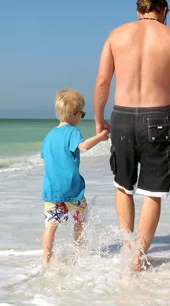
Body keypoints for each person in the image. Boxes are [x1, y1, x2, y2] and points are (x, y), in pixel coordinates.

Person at [93, 0, 170, 270]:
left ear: (138, 12)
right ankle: (139, 256)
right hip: (158, 119)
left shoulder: (116, 34)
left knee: (123, 186)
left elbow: (103, 81)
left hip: (122, 118)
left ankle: (128, 247)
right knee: (152, 192)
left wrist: (99, 118)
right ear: (164, 11)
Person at [41, 88, 110, 264]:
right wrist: (101, 136)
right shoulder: (72, 132)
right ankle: (80, 253)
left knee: (50, 226)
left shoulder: (48, 137)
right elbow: (84, 147)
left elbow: (45, 157)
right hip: (72, 189)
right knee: (80, 219)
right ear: (76, 114)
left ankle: (46, 260)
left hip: (52, 190)